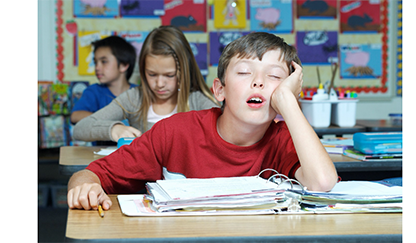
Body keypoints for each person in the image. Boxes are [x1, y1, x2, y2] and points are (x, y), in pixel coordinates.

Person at [67, 32, 338, 211]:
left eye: (275, 77)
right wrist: (84, 188)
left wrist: (289, 105)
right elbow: (88, 174)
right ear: (219, 90)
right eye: (244, 72)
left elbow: (323, 182)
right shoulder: (173, 132)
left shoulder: (283, 139)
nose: (258, 81)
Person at [72, 26, 219, 142]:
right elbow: (80, 129)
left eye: (169, 75)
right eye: (152, 74)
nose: (159, 84)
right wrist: (113, 129)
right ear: (142, 70)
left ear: (184, 71)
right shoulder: (134, 99)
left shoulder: (197, 101)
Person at [70, 36, 138, 124]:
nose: (97, 67)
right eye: (95, 62)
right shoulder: (94, 92)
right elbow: (75, 116)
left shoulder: (140, 94)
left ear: (123, 65)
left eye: (104, 61)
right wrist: (109, 122)